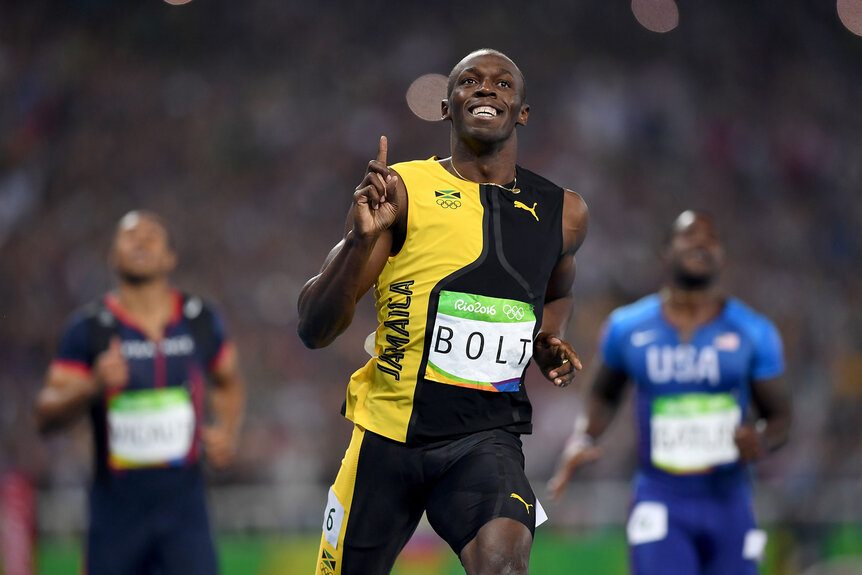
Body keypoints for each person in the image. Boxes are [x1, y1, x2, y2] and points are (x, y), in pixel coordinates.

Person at [297, 48, 589, 574]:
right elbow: (315, 328)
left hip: (486, 439)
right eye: (470, 81)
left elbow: (558, 288)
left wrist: (549, 336)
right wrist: (359, 243)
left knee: (504, 563)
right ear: (445, 107)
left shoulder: (563, 212)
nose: (486, 89)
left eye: (503, 84)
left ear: (522, 111)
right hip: (387, 435)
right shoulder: (400, 193)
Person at [548, 210, 792, 575]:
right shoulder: (627, 328)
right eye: (690, 234)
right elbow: (603, 395)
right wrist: (583, 437)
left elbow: (780, 418)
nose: (701, 243)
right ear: (665, 251)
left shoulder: (753, 332)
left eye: (711, 239)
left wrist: (762, 441)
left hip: (731, 502)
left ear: (722, 255)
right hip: (660, 499)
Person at [35, 210, 245, 575]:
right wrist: (92, 384)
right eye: (129, 235)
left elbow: (228, 380)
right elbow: (45, 415)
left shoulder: (199, 319)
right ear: (112, 256)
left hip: (186, 515)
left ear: (170, 257)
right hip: (115, 518)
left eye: (152, 235)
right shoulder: (89, 329)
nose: (141, 241)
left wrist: (227, 430)